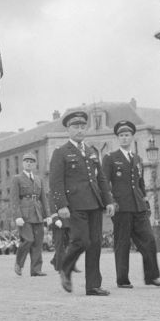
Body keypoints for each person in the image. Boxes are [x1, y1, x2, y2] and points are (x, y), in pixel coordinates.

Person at [49, 109, 116, 295]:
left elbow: (101, 178)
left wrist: (108, 201)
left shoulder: (91, 151)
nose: (79, 130)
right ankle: (65, 267)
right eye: (75, 127)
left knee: (95, 244)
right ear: (68, 130)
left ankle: (93, 285)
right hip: (74, 204)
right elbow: (55, 182)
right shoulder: (61, 153)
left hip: (94, 203)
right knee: (81, 240)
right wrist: (61, 205)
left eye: (82, 126)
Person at [102, 120, 160, 288]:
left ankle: (152, 276)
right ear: (117, 138)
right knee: (122, 243)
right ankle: (122, 279)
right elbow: (104, 183)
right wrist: (111, 203)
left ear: (132, 137)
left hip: (138, 206)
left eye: (127, 135)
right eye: (121, 136)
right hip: (121, 207)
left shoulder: (137, 158)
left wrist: (145, 200)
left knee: (149, 240)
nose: (124, 138)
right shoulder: (110, 158)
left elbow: (140, 184)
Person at [10, 152, 50, 276]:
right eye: (26, 161)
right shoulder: (17, 178)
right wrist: (17, 216)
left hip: (37, 213)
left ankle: (36, 269)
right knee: (28, 240)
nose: (29, 163)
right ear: (23, 163)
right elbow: (14, 199)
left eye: (31, 162)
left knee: (38, 242)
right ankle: (19, 263)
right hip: (24, 214)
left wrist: (48, 215)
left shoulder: (39, 179)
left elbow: (43, 198)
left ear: (35, 164)